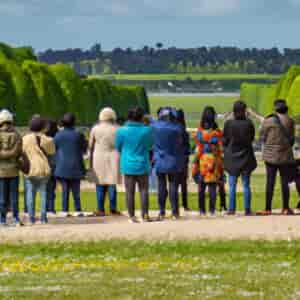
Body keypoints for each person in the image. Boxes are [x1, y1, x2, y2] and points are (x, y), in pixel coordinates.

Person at [116, 107, 153, 223]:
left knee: (129, 192)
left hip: (128, 164)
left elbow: (118, 147)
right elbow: (150, 146)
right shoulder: (147, 130)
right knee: (144, 190)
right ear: (141, 117)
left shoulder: (121, 131)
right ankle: (145, 215)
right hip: (142, 163)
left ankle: (131, 216)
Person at [259, 99, 295, 215]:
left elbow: (262, 137)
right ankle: (285, 207)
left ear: (275, 108)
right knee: (284, 182)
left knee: (270, 182)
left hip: (270, 155)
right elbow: (292, 139)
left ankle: (268, 208)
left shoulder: (268, 121)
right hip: (285, 155)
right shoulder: (290, 121)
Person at [223, 101, 257, 215]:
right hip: (246, 156)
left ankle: (231, 209)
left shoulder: (228, 124)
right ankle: (247, 209)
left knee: (232, 186)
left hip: (232, 156)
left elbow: (225, 140)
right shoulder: (249, 123)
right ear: (244, 110)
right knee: (246, 185)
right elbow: (252, 138)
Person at [152, 107, 185, 220]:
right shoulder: (177, 128)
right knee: (173, 186)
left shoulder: (155, 126)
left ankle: (162, 211)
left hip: (160, 159)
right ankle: (175, 212)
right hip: (174, 160)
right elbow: (182, 144)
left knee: (161, 186)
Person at [23, 116, 55, 224]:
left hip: (30, 168)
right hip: (43, 168)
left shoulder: (25, 138)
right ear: (42, 127)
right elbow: (51, 152)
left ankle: (31, 218)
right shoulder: (47, 139)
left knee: (30, 194)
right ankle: (43, 218)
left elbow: (22, 153)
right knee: (43, 193)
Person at [89, 107, 121, 217]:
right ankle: (113, 208)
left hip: (99, 156)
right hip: (113, 155)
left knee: (100, 183)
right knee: (112, 183)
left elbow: (91, 145)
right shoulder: (117, 129)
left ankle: (100, 208)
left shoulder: (95, 129)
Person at [54, 113, 88, 216]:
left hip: (62, 166)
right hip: (76, 165)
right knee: (76, 191)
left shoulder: (58, 135)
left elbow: (55, 149)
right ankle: (78, 210)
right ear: (74, 122)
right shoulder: (79, 134)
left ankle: (65, 210)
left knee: (65, 191)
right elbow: (84, 149)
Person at [193, 106, 223, 216]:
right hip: (213, 158)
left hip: (202, 158)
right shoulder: (216, 130)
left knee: (201, 185)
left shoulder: (200, 130)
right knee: (212, 186)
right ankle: (211, 210)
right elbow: (220, 143)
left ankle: (201, 210)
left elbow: (197, 142)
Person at [0, 110, 22, 226]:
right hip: (14, 170)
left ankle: (2, 219)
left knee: (2, 197)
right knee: (14, 197)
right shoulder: (17, 135)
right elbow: (19, 153)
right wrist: (13, 153)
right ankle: (15, 218)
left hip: (1, 171)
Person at [176, 109, 191, 211]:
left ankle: (175, 205)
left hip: (175, 158)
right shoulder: (184, 131)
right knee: (183, 183)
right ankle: (185, 204)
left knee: (175, 183)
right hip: (183, 158)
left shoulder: (174, 129)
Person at [45, 119, 58, 214]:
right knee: (51, 190)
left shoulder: (44, 139)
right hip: (54, 166)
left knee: (46, 189)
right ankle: (51, 208)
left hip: (46, 166)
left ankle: (46, 208)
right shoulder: (56, 138)